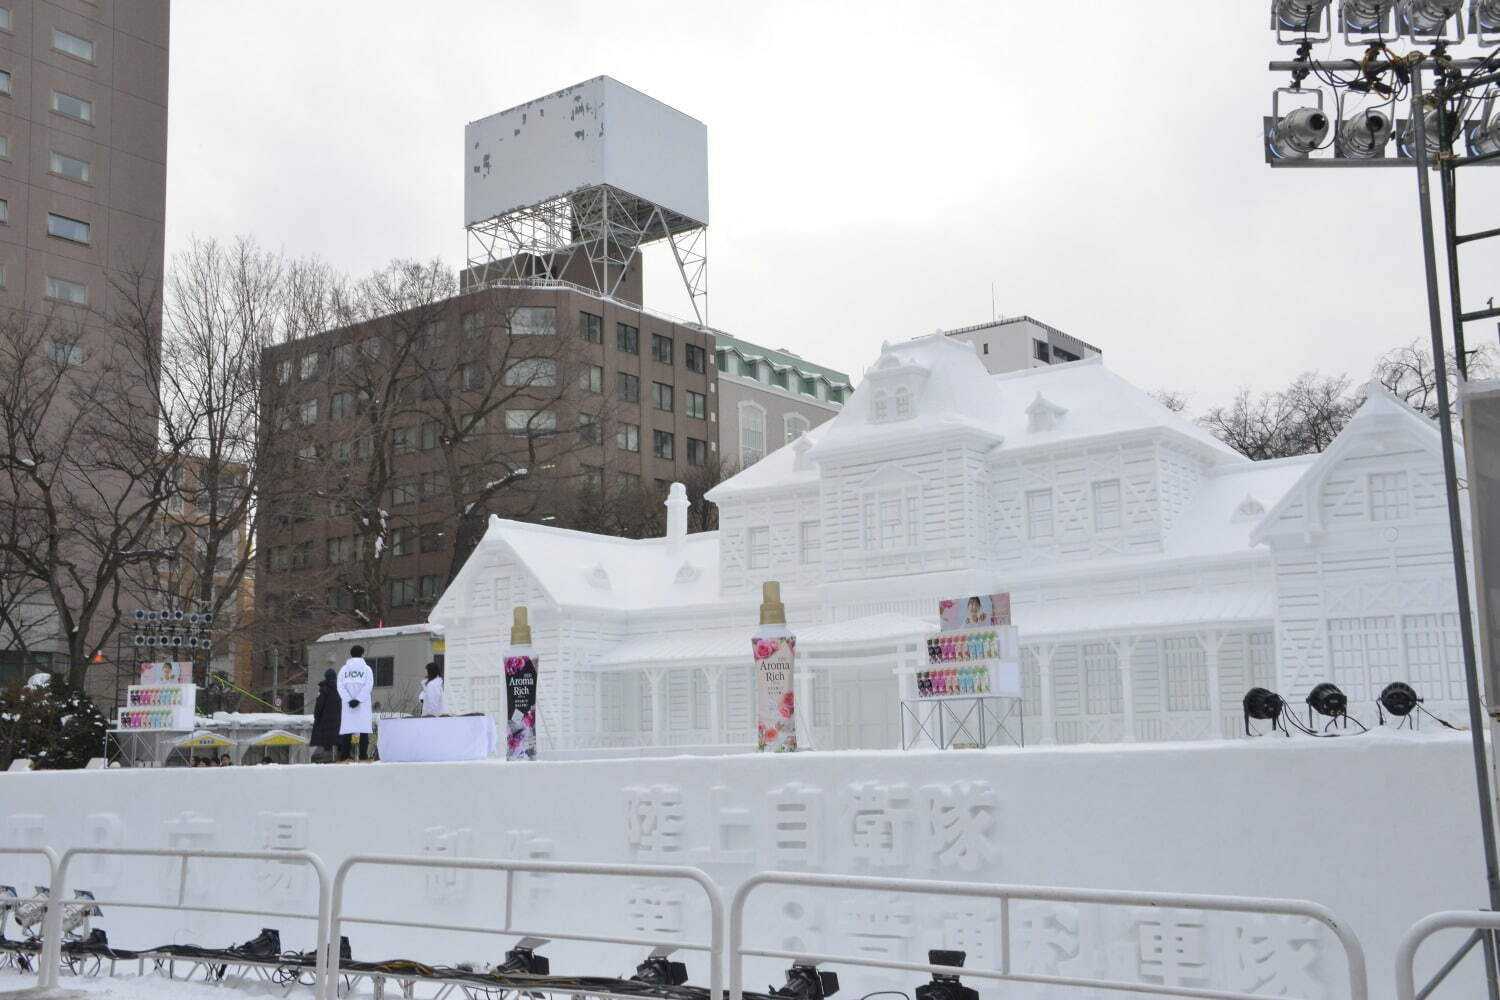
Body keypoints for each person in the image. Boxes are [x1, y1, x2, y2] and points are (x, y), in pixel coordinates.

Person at [337, 645, 375, 762]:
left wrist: (349, 699)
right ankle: (363, 756)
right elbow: (368, 685)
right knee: (363, 730)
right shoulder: (367, 669)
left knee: (347, 730)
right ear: (362, 653)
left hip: (348, 705)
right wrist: (358, 699)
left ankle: (344, 756)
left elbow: (340, 686)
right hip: (362, 704)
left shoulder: (344, 669)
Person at [310, 668, 341, 762]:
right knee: (339, 743)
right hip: (339, 724)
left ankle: (327, 759)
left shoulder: (324, 690)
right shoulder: (341, 689)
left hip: (325, 724)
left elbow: (318, 708)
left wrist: (317, 718)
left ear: (326, 677)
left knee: (327, 745)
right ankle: (339, 759)